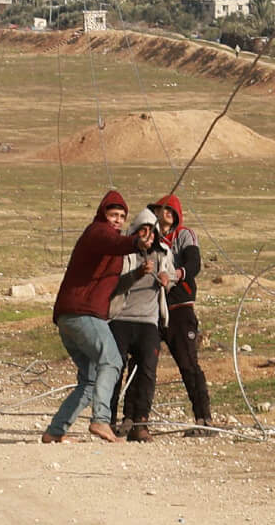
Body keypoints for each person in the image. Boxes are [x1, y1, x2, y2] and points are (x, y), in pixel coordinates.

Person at [44, 190, 140, 443]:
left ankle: (55, 432)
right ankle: (100, 420)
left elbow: (112, 285)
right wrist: (135, 242)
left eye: (122, 216)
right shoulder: (97, 231)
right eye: (113, 215)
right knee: (112, 360)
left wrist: (139, 273)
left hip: (70, 316)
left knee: (89, 379)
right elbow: (114, 242)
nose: (117, 220)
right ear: (103, 215)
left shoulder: (109, 242)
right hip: (82, 313)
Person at [108, 209, 174, 440]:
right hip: (121, 319)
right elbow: (113, 286)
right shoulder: (124, 254)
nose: (147, 236)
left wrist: (167, 279)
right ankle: (108, 422)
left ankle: (140, 424)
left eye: (151, 232)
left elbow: (171, 275)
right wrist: (137, 274)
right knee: (115, 371)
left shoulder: (163, 253)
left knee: (147, 372)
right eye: (142, 231)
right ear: (134, 233)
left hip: (148, 321)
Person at [149, 195, 214, 429]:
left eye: (169, 210)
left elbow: (194, 264)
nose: (164, 213)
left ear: (176, 214)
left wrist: (174, 275)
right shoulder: (148, 237)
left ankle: (203, 418)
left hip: (179, 308)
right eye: (160, 209)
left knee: (188, 363)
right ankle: (135, 420)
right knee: (143, 364)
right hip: (151, 308)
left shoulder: (184, 235)